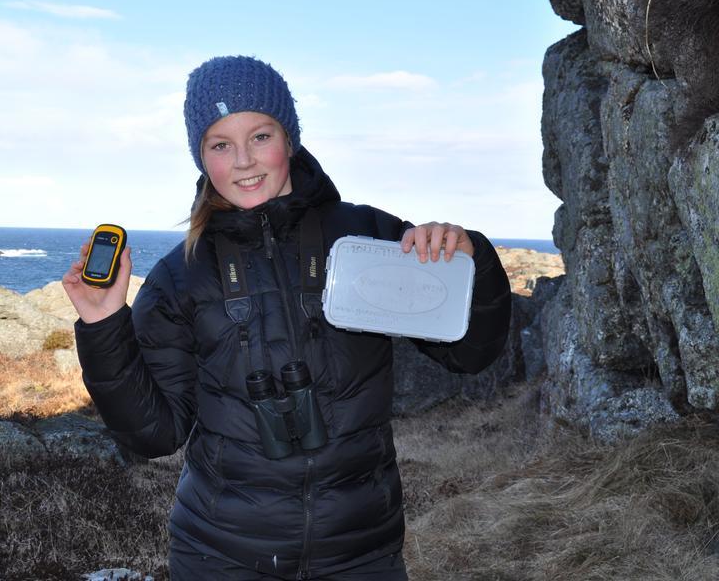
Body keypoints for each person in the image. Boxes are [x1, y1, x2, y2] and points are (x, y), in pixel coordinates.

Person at [63, 56, 511, 580]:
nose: (245, 161)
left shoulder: (367, 238)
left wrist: (469, 259)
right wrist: (103, 326)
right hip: (220, 555)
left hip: (361, 553)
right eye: (220, 145)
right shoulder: (180, 276)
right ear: (201, 157)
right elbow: (154, 435)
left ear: (290, 138)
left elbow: (470, 353)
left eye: (260, 135)